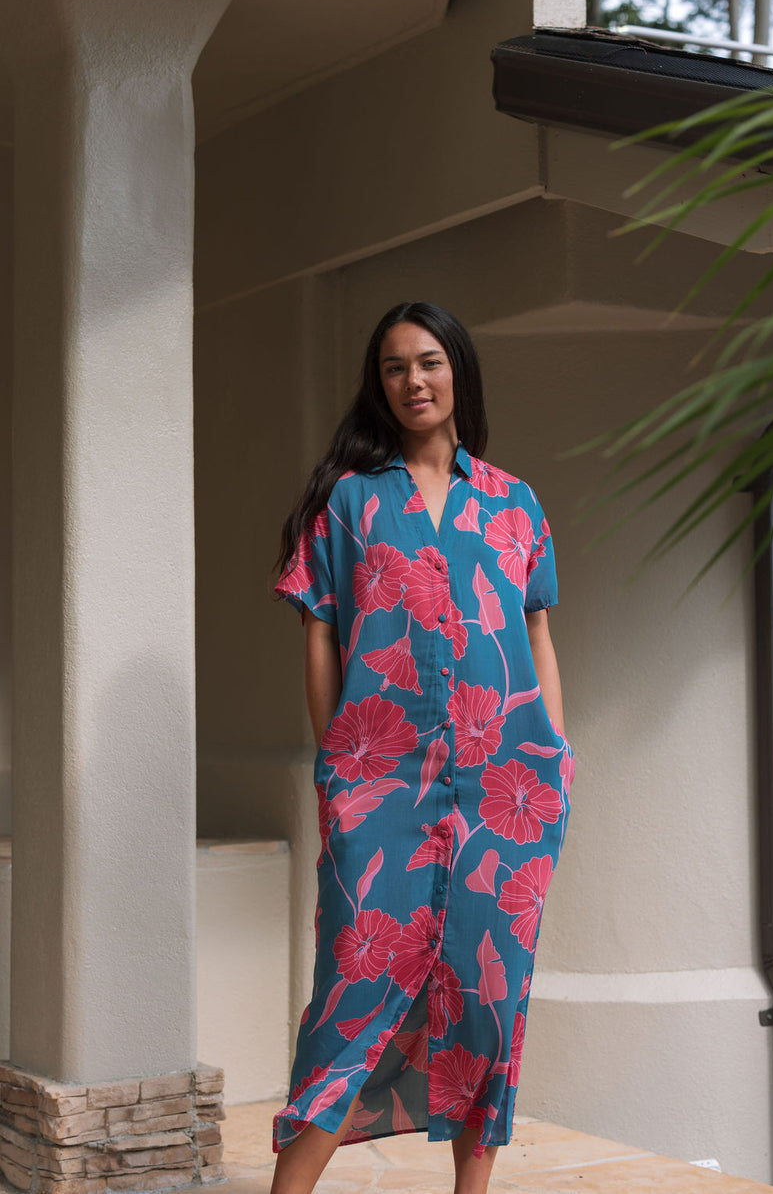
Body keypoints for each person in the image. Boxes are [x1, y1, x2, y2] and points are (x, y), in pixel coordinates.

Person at [272, 301, 573, 1194]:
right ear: (380, 384)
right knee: (352, 994)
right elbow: (320, 631)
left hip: (507, 792)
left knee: (487, 1001)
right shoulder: (349, 503)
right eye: (396, 367)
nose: (414, 381)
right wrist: (338, 761)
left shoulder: (514, 503)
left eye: (430, 362)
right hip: (382, 789)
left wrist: (553, 749)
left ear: (458, 373)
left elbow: (536, 630)